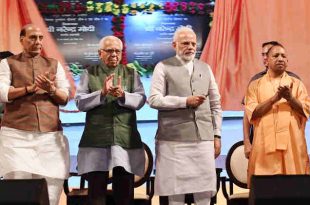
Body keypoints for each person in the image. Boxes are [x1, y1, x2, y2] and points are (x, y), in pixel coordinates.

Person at [149, 26, 222, 205]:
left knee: (204, 191)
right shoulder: (163, 66)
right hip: (173, 141)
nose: (190, 47)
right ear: (174, 45)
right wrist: (184, 102)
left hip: (203, 139)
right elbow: (154, 99)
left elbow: (216, 104)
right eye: (185, 43)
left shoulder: (205, 68)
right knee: (175, 191)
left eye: (193, 43)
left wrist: (217, 134)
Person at [0, 24, 70, 205]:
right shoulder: (8, 63)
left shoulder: (54, 64)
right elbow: (2, 93)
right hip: (16, 136)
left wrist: (51, 89)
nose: (37, 42)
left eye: (40, 38)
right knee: (18, 185)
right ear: (21, 40)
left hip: (50, 136)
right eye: (32, 38)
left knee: (51, 186)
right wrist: (28, 89)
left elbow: (65, 97)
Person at [75, 36, 146, 205]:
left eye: (117, 51)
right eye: (109, 50)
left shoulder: (131, 73)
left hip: (124, 139)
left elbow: (141, 99)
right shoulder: (89, 73)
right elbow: (79, 102)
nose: (114, 54)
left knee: (124, 192)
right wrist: (101, 93)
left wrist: (123, 95)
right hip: (97, 139)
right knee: (96, 192)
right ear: (100, 53)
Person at [244, 43, 310, 187]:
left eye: (283, 56)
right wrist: (274, 99)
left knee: (294, 190)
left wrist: (290, 98)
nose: (280, 58)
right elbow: (253, 113)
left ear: (287, 61)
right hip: (264, 148)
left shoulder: (297, 84)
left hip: (292, 147)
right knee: (265, 191)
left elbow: (305, 111)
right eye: (275, 56)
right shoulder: (254, 85)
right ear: (266, 61)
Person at [242, 41, 301, 159]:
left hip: (289, 140)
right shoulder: (255, 81)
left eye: (267, 53)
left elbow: (303, 111)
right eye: (263, 54)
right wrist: (247, 142)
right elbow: (248, 114)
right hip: (261, 140)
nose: (264, 57)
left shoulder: (294, 80)